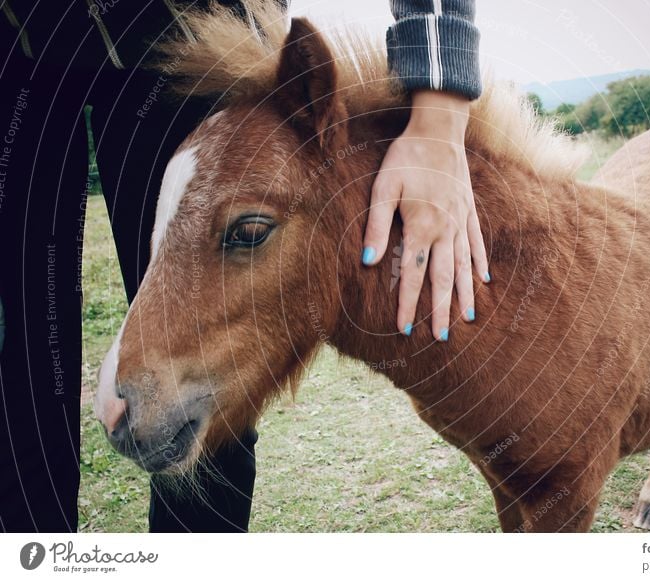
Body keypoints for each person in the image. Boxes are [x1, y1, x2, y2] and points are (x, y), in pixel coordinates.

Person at [0, 0, 486, 532]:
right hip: (16, 40)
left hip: (190, 27)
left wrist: (439, 106)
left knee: (211, 390)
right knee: (21, 369)